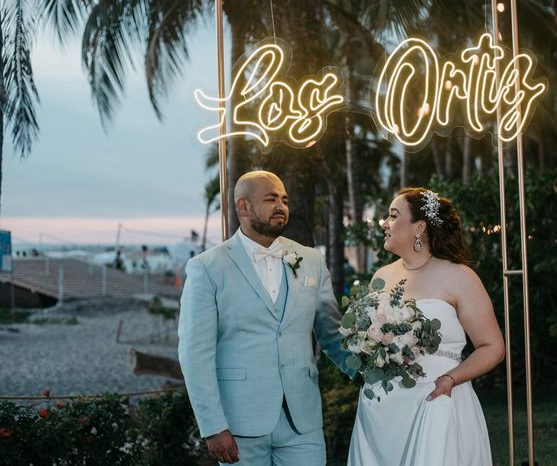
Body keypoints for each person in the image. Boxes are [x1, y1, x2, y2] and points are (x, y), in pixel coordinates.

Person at [178, 170, 352, 465]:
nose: (281, 206)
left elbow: (332, 333)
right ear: (243, 207)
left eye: (284, 200)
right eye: (271, 199)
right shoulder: (207, 268)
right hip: (238, 423)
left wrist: (371, 374)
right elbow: (195, 352)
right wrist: (212, 426)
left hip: (303, 421)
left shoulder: (310, 260)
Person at [347, 187, 505, 466]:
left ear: (419, 227)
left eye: (393, 216)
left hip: (437, 398)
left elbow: (492, 347)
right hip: (382, 411)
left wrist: (451, 379)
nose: (384, 223)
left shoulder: (460, 277)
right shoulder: (381, 277)